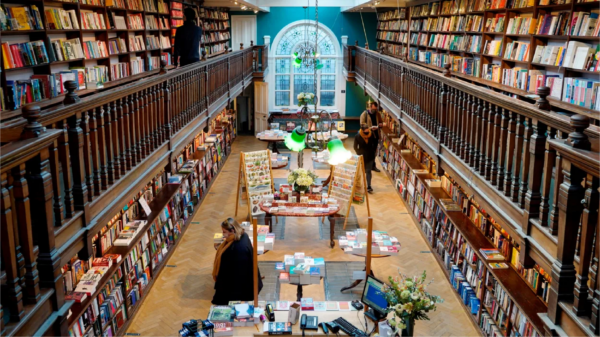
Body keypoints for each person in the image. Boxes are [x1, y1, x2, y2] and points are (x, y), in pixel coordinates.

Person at [212, 218, 263, 305]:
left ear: (232, 231)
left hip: (238, 287)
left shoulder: (238, 248)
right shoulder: (243, 235)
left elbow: (238, 274)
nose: (223, 234)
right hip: (241, 280)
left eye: (224, 232)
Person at [360, 101, 383, 172]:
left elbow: (380, 122)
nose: (374, 111)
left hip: (375, 135)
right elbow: (362, 124)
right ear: (370, 107)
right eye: (373, 109)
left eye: (375, 109)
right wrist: (370, 128)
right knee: (367, 151)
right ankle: (365, 165)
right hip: (367, 135)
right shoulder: (365, 114)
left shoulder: (377, 114)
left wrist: (380, 125)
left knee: (374, 151)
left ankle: (373, 165)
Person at [354, 123, 377, 193]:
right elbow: (355, 147)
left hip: (370, 156)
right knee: (362, 171)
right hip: (362, 156)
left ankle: (369, 186)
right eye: (366, 130)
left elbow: (375, 143)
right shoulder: (357, 136)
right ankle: (361, 184)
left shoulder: (371, 135)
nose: (367, 132)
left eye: (368, 130)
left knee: (368, 171)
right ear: (362, 130)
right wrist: (358, 153)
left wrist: (374, 152)